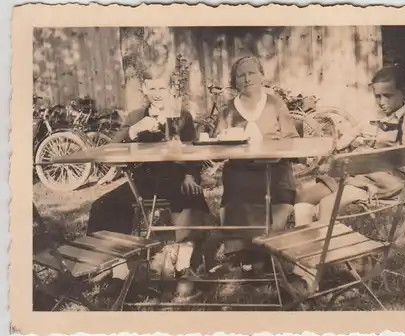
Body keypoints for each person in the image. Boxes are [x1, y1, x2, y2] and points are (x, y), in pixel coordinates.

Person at [292, 65, 405, 290]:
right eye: (377, 96)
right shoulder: (374, 116)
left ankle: (311, 275)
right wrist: (346, 141)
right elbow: (347, 138)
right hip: (357, 174)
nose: (381, 101)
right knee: (304, 196)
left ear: (404, 92)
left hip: (388, 182)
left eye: (387, 96)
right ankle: (304, 261)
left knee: (327, 204)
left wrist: (366, 153)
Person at [86, 67, 210, 302]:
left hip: (176, 177)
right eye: (151, 88)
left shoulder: (182, 116)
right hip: (144, 181)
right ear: (144, 89)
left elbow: (193, 150)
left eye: (161, 87)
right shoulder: (135, 117)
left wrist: (190, 176)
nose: (157, 93)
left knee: (190, 199)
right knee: (104, 204)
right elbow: (110, 149)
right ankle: (115, 268)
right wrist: (134, 131)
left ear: (170, 89)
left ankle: (184, 265)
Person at [213, 56, 300, 270]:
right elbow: (217, 144)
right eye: (241, 75)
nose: (247, 78)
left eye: (252, 73)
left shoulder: (274, 103)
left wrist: (277, 150)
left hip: (274, 166)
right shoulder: (227, 110)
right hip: (241, 170)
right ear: (235, 81)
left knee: (278, 192)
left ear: (262, 75)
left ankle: (269, 248)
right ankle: (244, 253)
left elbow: (291, 138)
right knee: (236, 187)